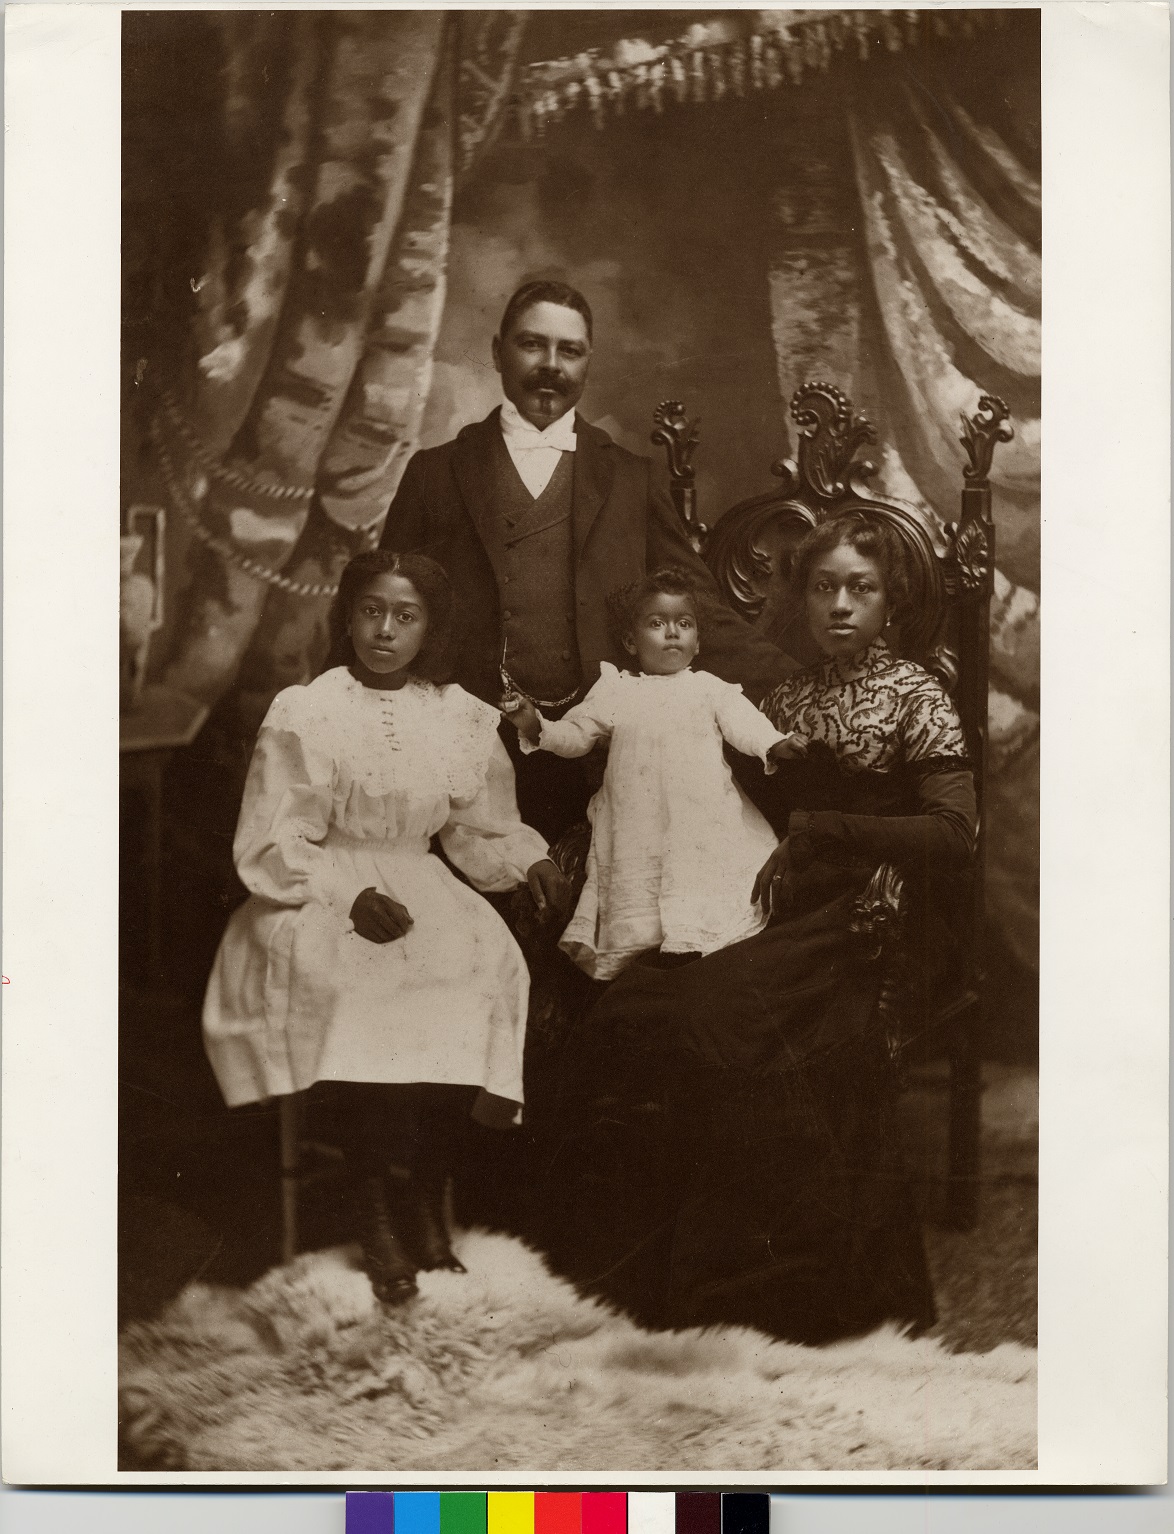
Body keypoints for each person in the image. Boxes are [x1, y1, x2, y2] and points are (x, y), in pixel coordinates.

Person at [537, 512, 977, 1345]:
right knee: (641, 1008)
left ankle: (772, 1295)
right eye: (824, 587)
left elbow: (955, 839)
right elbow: (706, 802)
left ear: (893, 602)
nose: (841, 605)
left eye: (862, 588)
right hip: (772, 902)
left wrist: (830, 831)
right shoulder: (782, 700)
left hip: (877, 913)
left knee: (722, 1016)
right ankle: (624, 1286)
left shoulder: (919, 695)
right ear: (801, 601)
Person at [202, 551, 569, 1306]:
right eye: (371, 610)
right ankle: (373, 1202)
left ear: (429, 628)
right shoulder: (308, 710)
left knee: (476, 977)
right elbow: (272, 840)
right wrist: (343, 897)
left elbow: (480, 828)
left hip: (421, 879)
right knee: (366, 988)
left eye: (406, 616)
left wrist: (526, 860)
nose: (385, 630)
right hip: (318, 887)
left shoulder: (459, 716)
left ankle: (426, 1192)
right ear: (347, 615)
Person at [379, 279, 792, 843]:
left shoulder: (629, 477)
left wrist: (802, 684)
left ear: (587, 363)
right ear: (498, 351)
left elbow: (701, 609)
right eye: (532, 345)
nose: (551, 365)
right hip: (466, 749)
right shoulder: (436, 472)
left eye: (569, 350)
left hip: (601, 750)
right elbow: (380, 606)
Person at [501, 568, 805, 980]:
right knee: (644, 909)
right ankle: (653, 967)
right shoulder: (616, 689)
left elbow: (743, 723)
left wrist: (774, 743)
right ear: (631, 641)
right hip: (637, 821)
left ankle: (699, 956)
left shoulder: (707, 688)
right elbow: (577, 735)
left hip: (701, 816)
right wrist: (535, 725)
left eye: (684, 624)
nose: (672, 634)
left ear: (697, 642)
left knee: (703, 900)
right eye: (657, 624)